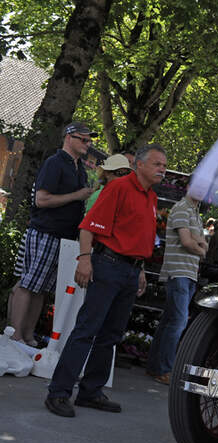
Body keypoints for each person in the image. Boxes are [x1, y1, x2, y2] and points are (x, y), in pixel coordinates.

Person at [44, 144, 166, 417]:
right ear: (141, 165)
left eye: (164, 165)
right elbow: (88, 227)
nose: (162, 169)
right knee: (87, 329)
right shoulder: (119, 187)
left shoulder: (151, 197)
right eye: (157, 164)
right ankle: (59, 392)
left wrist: (141, 270)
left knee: (111, 335)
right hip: (108, 265)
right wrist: (84, 259)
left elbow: (140, 237)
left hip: (130, 270)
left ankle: (90, 391)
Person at [8, 122, 95, 350]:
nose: (88, 144)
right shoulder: (54, 163)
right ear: (68, 138)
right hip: (45, 231)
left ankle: (28, 336)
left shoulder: (79, 167)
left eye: (90, 140)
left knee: (42, 288)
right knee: (29, 283)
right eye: (83, 139)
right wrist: (78, 195)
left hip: (63, 236)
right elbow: (42, 200)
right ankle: (15, 335)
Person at [145, 192, 207, 385]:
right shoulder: (182, 208)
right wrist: (201, 248)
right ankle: (164, 370)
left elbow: (197, 240)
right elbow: (187, 241)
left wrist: (197, 241)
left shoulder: (194, 212)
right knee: (178, 322)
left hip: (187, 273)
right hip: (178, 272)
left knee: (170, 320)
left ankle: (155, 366)